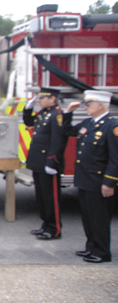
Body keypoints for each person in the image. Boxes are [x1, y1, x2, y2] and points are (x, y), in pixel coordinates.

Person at [62, 90, 117, 263]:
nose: (85, 107)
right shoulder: (88, 123)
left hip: (98, 180)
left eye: (89, 104)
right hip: (84, 178)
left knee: (99, 218)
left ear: (100, 105)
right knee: (88, 217)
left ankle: (102, 252)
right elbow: (67, 131)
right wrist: (68, 112)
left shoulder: (112, 126)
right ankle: (91, 247)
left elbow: (115, 158)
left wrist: (109, 182)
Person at [22, 87, 68, 240]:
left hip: (48, 163)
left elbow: (58, 140)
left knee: (51, 197)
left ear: (52, 99)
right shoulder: (44, 113)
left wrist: (52, 162)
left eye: (42, 98)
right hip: (38, 161)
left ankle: (54, 228)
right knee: (41, 196)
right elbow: (29, 122)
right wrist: (28, 108)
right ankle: (46, 224)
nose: (39, 100)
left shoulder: (57, 115)